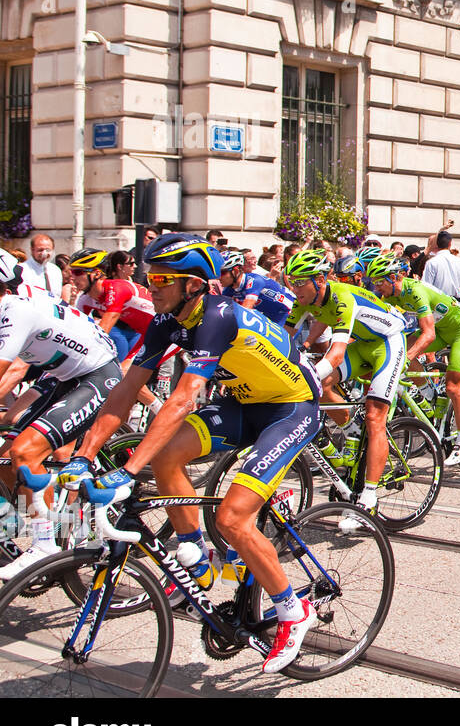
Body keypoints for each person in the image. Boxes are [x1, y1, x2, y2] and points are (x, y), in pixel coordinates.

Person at [68, 233, 322, 672]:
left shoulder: (218, 317)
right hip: (242, 403)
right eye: (150, 277)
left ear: (193, 284)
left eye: (163, 279)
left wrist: (129, 469)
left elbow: (184, 398)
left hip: (290, 408)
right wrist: (84, 455)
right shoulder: (167, 321)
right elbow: (127, 387)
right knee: (167, 456)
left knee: (231, 518)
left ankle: (292, 611)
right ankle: (194, 555)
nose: (151, 287)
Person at [0, 252, 123, 579]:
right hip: (61, 375)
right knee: (6, 455)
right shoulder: (14, 300)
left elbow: (5, 370)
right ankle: (50, 524)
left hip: (97, 374)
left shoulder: (14, 310)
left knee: (24, 452)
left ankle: (46, 546)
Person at [284, 249, 409, 510]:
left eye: (298, 281)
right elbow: (283, 338)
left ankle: (369, 495)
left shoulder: (341, 295)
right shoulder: (303, 300)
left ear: (319, 280)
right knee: (322, 389)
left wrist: (307, 376)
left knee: (375, 416)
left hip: (388, 343)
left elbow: (337, 354)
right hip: (364, 344)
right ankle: (351, 425)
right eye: (290, 280)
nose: (293, 287)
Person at [366, 252, 460, 466]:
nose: (376, 287)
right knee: (402, 345)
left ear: (393, 277)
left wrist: (405, 358)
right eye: (374, 283)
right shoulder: (388, 295)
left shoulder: (414, 290)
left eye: (379, 282)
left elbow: (429, 334)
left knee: (453, 387)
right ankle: (428, 392)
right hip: (441, 328)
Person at [220, 250, 295, 325]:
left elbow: (246, 310)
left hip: (289, 313)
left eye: (222, 272)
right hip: (271, 317)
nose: (218, 277)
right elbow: (220, 308)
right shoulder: (229, 288)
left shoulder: (254, 281)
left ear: (235, 271)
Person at [421, 230, 460, 306]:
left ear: (437, 244)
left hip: (439, 303)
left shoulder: (431, 262)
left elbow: (426, 287)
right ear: (450, 243)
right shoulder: (459, 261)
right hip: (452, 302)